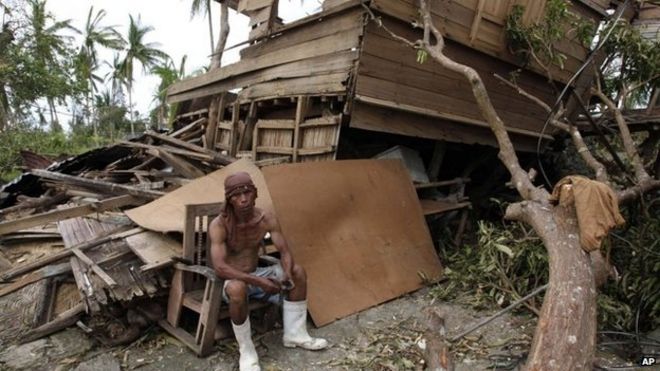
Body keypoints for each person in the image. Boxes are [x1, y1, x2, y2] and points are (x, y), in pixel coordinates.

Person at [209, 171, 328, 371]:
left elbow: (285, 251)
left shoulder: (266, 218)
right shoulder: (219, 225)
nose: (244, 199)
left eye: (247, 192)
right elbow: (220, 268)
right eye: (237, 195)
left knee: (298, 271)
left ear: (255, 193)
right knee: (238, 288)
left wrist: (287, 273)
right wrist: (259, 282)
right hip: (232, 281)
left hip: (257, 274)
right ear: (229, 199)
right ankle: (247, 352)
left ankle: (295, 334)